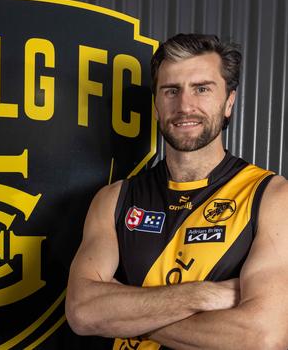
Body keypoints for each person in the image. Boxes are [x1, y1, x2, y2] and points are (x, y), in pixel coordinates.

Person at [65, 33, 288, 349]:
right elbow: (82, 312)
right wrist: (206, 294)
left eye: (201, 89)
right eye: (171, 90)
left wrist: (123, 316)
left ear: (229, 102)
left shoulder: (272, 197)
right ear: (156, 104)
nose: (185, 105)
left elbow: (263, 337)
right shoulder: (113, 200)